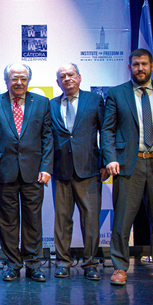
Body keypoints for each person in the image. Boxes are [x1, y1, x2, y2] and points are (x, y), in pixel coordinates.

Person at [101, 49, 153, 286]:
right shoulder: (117, 93)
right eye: (136, 64)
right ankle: (119, 267)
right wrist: (110, 158)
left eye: (144, 64)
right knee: (123, 220)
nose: (140, 68)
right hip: (130, 164)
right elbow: (107, 129)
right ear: (130, 67)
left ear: (152, 65)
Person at [0, 63, 52, 283]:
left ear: (29, 80)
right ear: (6, 81)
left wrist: (46, 167)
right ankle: (12, 264)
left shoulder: (42, 103)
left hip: (34, 173)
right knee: (8, 222)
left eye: (23, 78)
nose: (19, 82)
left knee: (33, 220)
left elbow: (48, 138)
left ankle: (33, 264)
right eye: (14, 78)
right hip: (4, 173)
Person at [50, 63, 107, 280]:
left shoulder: (95, 100)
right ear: (58, 82)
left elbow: (105, 132)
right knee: (62, 220)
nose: (67, 79)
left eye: (71, 75)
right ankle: (63, 262)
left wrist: (104, 163)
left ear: (79, 77)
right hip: (61, 170)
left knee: (90, 220)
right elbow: (47, 140)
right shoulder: (51, 105)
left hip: (89, 170)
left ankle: (90, 262)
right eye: (62, 76)